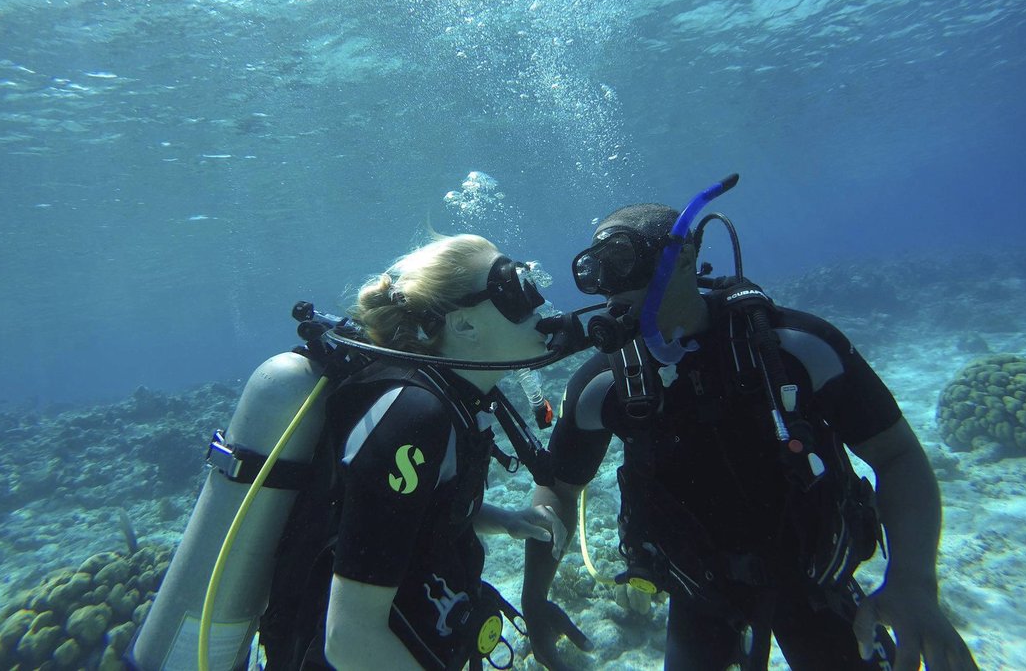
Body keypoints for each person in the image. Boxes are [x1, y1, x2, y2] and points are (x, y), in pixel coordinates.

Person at [521, 192, 979, 671]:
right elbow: (558, 489)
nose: (610, 289)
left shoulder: (794, 348)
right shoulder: (603, 386)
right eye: (597, 271)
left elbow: (897, 455)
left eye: (622, 262)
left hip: (816, 582)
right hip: (698, 592)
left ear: (683, 257)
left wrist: (914, 582)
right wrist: (534, 597)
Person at [256, 233, 570, 671]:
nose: (537, 303)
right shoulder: (414, 416)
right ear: (463, 325)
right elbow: (348, 639)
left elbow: (409, 509)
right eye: (513, 288)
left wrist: (504, 519)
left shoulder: (458, 397)